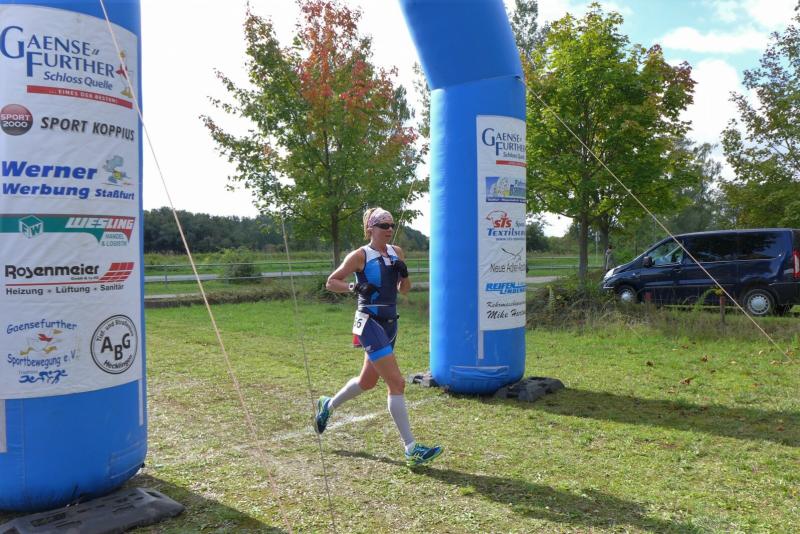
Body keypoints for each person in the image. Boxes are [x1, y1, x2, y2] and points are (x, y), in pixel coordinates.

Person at [316, 207, 443, 467]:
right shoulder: (360, 255)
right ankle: (411, 449)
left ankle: (328, 405)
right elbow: (331, 282)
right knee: (397, 382)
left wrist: (404, 273)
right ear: (370, 229)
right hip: (368, 322)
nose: (389, 229)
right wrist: (354, 286)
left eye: (391, 225)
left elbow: (404, 290)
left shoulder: (397, 252)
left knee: (367, 381)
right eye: (383, 225)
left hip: (390, 323)